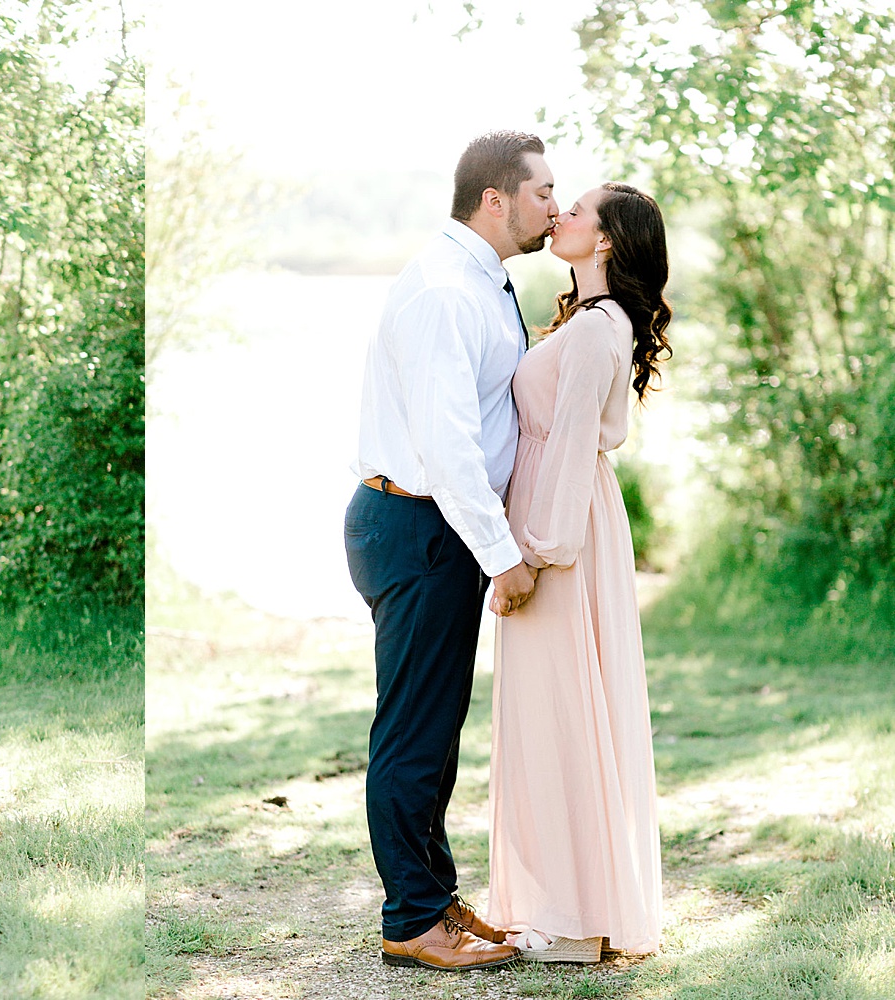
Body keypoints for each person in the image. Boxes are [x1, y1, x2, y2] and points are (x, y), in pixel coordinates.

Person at [343, 130, 558, 972]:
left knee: (436, 729)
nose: (554, 204)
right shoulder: (442, 289)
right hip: (417, 522)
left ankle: (434, 898)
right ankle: (410, 922)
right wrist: (503, 554)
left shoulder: (478, 278)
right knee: (413, 733)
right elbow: (446, 445)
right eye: (543, 191)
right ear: (496, 199)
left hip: (437, 526)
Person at [485, 183, 672, 962]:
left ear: (606, 242)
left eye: (579, 211)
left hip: (560, 532)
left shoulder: (599, 329)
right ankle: (569, 907)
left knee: (560, 714)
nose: (560, 215)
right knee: (553, 712)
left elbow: (565, 449)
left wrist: (532, 554)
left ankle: (571, 921)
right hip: (560, 521)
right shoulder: (589, 321)